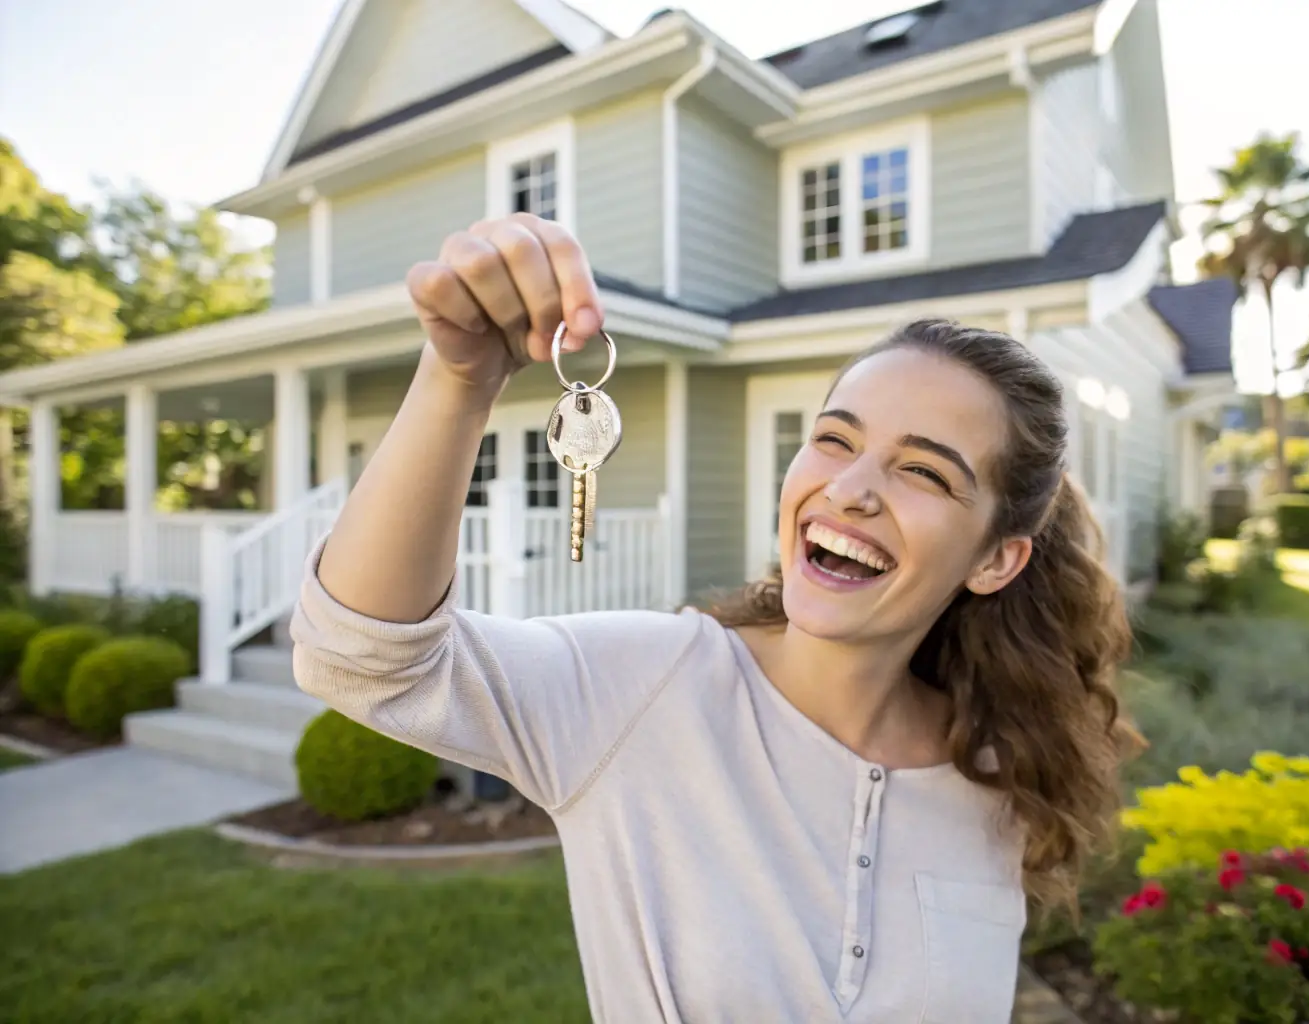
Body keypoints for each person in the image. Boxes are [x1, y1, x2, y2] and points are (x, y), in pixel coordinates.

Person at [290, 212, 1135, 1023]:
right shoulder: (645, 688)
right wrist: (458, 379)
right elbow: (359, 657)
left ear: (995, 557)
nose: (848, 489)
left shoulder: (992, 775)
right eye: (835, 440)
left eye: (924, 472)